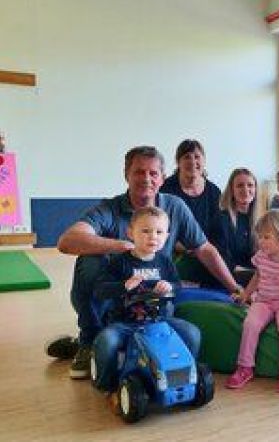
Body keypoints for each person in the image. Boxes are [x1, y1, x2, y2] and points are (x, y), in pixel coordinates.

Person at [47, 146, 242, 379]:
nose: (147, 179)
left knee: (188, 333)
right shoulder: (109, 209)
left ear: (162, 178)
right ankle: (89, 340)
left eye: (153, 173)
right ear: (126, 175)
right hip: (116, 301)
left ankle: (108, 347)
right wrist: (123, 246)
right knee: (89, 260)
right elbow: (67, 241)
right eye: (139, 172)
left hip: (155, 308)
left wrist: (235, 288)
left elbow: (205, 249)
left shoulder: (174, 207)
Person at [91, 206, 201, 393]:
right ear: (130, 233)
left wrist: (170, 287)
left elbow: (177, 286)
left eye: (159, 232)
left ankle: (186, 377)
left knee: (192, 333)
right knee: (106, 341)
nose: (153, 237)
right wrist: (124, 286)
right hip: (124, 323)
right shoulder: (119, 262)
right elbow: (100, 290)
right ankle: (106, 384)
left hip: (159, 322)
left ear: (167, 236)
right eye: (145, 231)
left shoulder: (165, 262)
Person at [225, 209, 279, 393]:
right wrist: (245, 295)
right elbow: (257, 277)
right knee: (250, 323)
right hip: (264, 300)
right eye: (260, 237)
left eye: (266, 237)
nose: (261, 241)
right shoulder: (262, 256)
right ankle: (245, 367)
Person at [160, 139, 222, 286]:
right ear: (178, 162)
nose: (193, 161)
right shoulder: (165, 188)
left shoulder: (214, 192)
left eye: (197, 157)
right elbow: (159, 226)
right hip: (175, 250)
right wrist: (184, 247)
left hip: (205, 249)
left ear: (204, 160)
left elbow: (218, 230)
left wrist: (203, 248)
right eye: (187, 157)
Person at [212, 168, 259, 286]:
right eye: (240, 185)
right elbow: (222, 260)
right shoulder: (221, 219)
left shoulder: (261, 220)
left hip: (255, 275)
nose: (246, 190)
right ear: (232, 191)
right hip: (229, 277)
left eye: (250, 185)